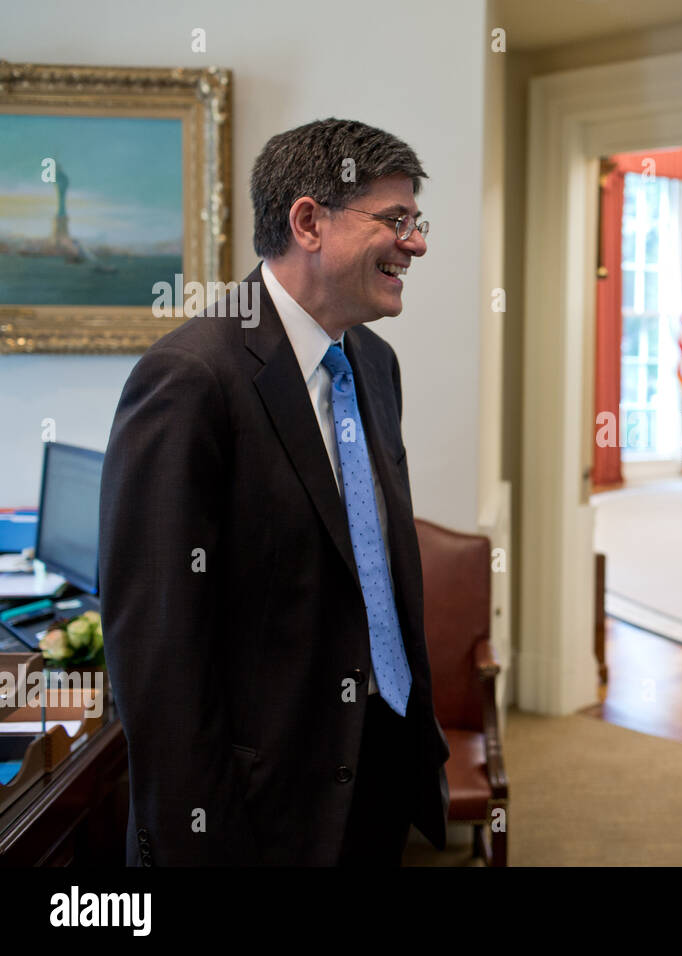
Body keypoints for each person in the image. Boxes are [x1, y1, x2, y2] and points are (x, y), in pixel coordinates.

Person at [100, 118, 450, 866]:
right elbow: (157, 657)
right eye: (395, 220)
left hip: (372, 773)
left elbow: (371, 570)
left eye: (416, 222)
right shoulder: (189, 380)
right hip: (253, 817)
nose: (415, 243)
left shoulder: (375, 366)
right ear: (308, 222)